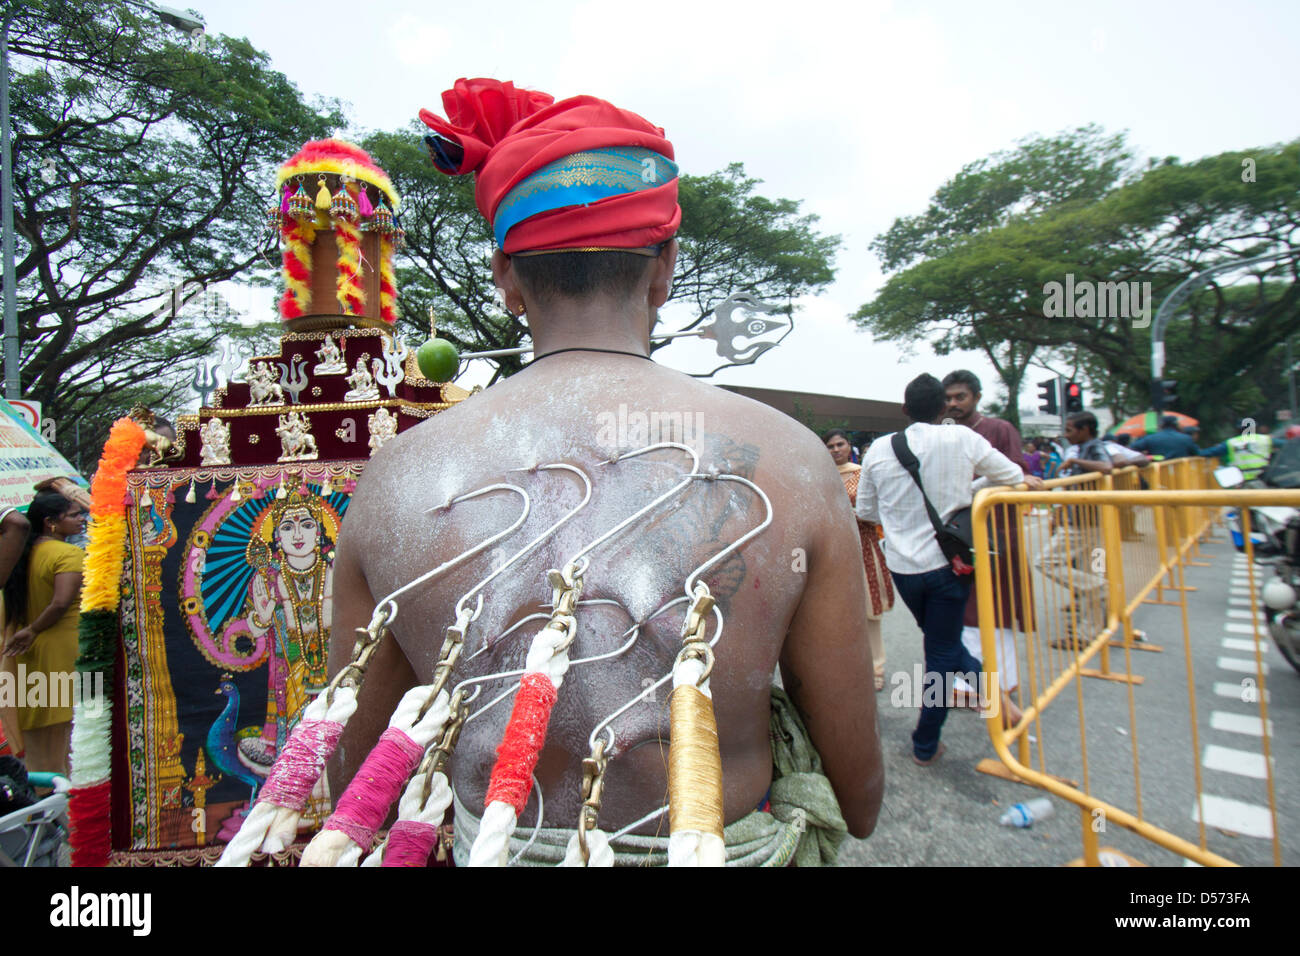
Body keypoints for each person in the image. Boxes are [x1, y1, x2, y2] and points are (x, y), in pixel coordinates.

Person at [328, 78, 882, 865]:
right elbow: (858, 798)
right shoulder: (790, 459)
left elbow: (356, 780)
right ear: (665, 267)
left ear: (506, 278)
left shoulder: (396, 481)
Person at [856, 374, 1025, 766]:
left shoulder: (880, 449)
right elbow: (1012, 476)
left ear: (904, 410)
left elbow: (865, 511)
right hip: (951, 565)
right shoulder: (963, 439)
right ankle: (926, 742)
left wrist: (900, 520)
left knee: (942, 646)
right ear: (943, 408)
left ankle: (993, 705)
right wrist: (967, 491)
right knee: (944, 650)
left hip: (903, 568)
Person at [941, 370, 1043, 712]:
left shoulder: (999, 429)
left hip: (995, 532)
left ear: (977, 397)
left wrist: (969, 490)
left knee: (995, 607)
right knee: (962, 608)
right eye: (949, 398)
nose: (953, 404)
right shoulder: (944, 434)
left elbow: (1012, 473)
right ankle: (968, 684)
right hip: (956, 535)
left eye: (960, 397)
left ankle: (1001, 683)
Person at [0, 491, 86, 776]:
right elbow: (61, 603)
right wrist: (35, 629)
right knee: (77, 734)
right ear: (51, 523)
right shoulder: (69, 553)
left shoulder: (22, 556)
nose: (81, 519)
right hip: (67, 653)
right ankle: (73, 805)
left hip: (29, 656)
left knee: (43, 736)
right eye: (73, 515)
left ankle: (44, 796)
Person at [1035, 412, 1113, 644]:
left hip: (1084, 521)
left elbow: (1106, 467)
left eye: (1070, 430)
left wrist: (1075, 462)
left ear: (1086, 429)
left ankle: (1099, 590)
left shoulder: (1093, 447)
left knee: (1047, 561)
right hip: (1084, 517)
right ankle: (1088, 630)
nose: (1067, 435)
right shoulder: (1087, 447)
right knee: (1088, 570)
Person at [824, 428, 892, 691]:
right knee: (835, 611)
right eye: (830, 446)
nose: (836, 449)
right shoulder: (823, 476)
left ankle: (876, 667)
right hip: (833, 549)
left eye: (839, 444)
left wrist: (850, 514)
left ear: (848, 446)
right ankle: (844, 666)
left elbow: (877, 511)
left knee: (868, 611)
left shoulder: (863, 473)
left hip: (863, 545)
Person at [1132, 415, 1200, 460]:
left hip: (1157, 476)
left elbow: (1133, 448)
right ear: (1176, 425)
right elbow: (1198, 453)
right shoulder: (1186, 438)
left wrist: (1147, 456)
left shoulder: (1150, 438)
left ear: (1162, 425)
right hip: (1183, 475)